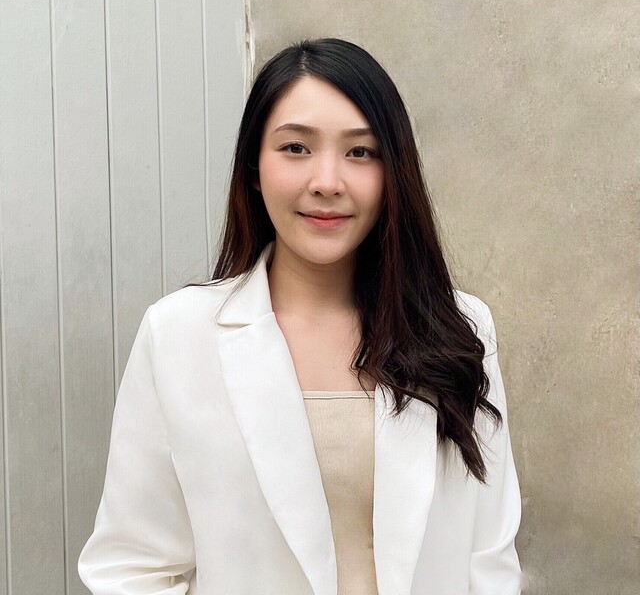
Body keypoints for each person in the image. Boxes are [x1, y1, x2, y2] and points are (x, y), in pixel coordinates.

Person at [78, 38, 522, 594]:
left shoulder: (458, 328)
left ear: (393, 173)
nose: (327, 182)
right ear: (254, 168)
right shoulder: (179, 335)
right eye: (295, 148)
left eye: (360, 152)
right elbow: (129, 567)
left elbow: (489, 561)